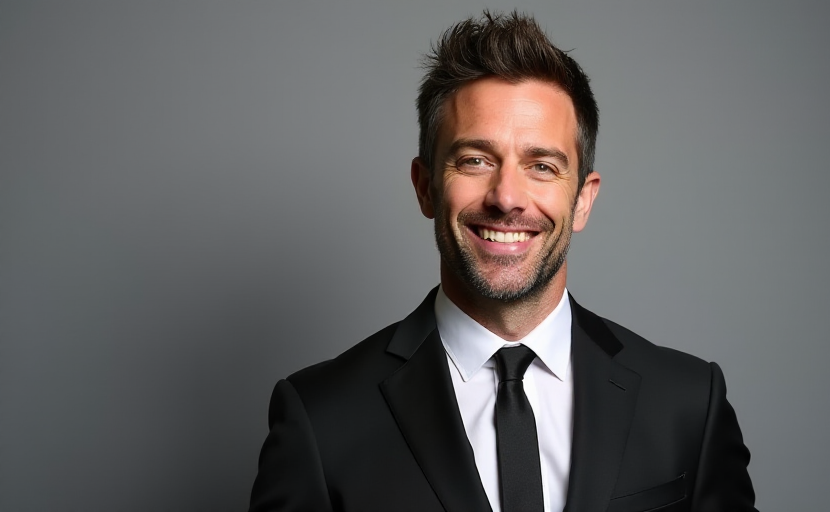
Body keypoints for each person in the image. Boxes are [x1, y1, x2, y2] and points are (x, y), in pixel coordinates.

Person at [249, 11, 756, 512]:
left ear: (583, 200)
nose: (507, 197)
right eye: (475, 160)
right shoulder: (320, 417)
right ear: (425, 187)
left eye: (542, 166)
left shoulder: (689, 404)